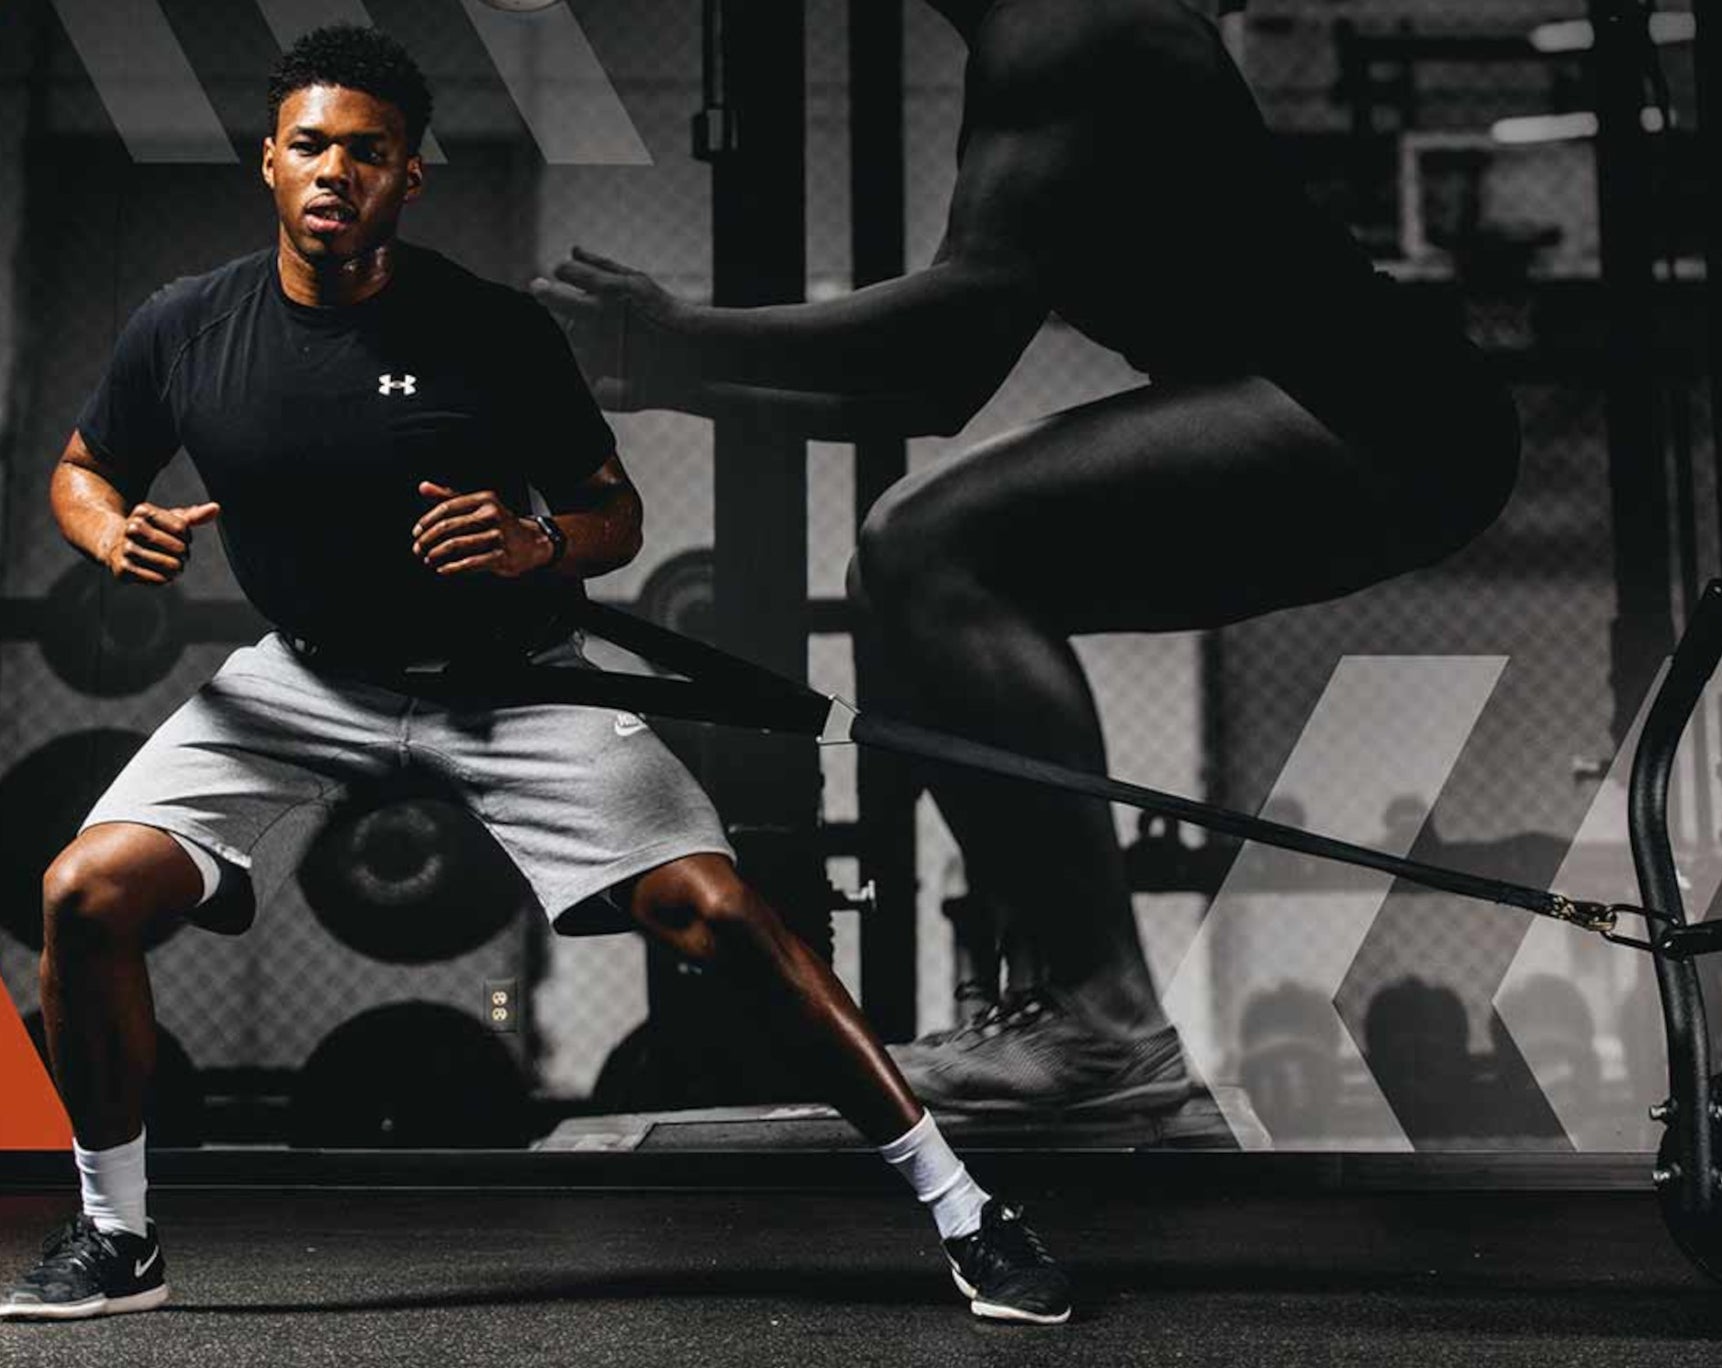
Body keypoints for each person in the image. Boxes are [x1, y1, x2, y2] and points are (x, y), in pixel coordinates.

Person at [0, 24, 1067, 1327]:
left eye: (369, 153)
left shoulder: (488, 332)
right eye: (311, 146)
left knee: (721, 917)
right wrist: (110, 528)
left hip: (512, 682)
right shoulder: (183, 330)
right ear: (268, 163)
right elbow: (80, 466)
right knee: (86, 892)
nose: (336, 173)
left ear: (409, 179)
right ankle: (118, 1240)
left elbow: (609, 512)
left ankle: (967, 1210)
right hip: (302, 682)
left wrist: (538, 541)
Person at [533, 0, 1521, 1115]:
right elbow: (932, 391)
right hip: (1372, 416)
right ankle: (1060, 1007)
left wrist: (679, 331)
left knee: (928, 543)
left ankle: (1102, 1018)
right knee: (912, 573)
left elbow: (954, 319)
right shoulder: (1034, 48)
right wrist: (668, 381)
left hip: (1383, 408)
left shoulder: (1071, 28)